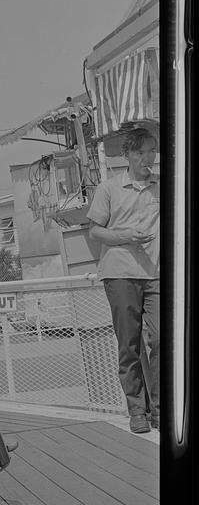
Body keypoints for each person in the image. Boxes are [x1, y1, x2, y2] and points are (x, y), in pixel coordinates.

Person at [87, 127, 159, 434]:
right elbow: (94, 231)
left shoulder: (163, 187)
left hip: (157, 273)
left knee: (161, 341)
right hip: (120, 272)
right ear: (127, 155)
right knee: (129, 344)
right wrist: (123, 236)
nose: (148, 158)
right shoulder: (109, 188)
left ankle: (160, 408)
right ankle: (137, 410)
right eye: (141, 152)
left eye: (152, 151)